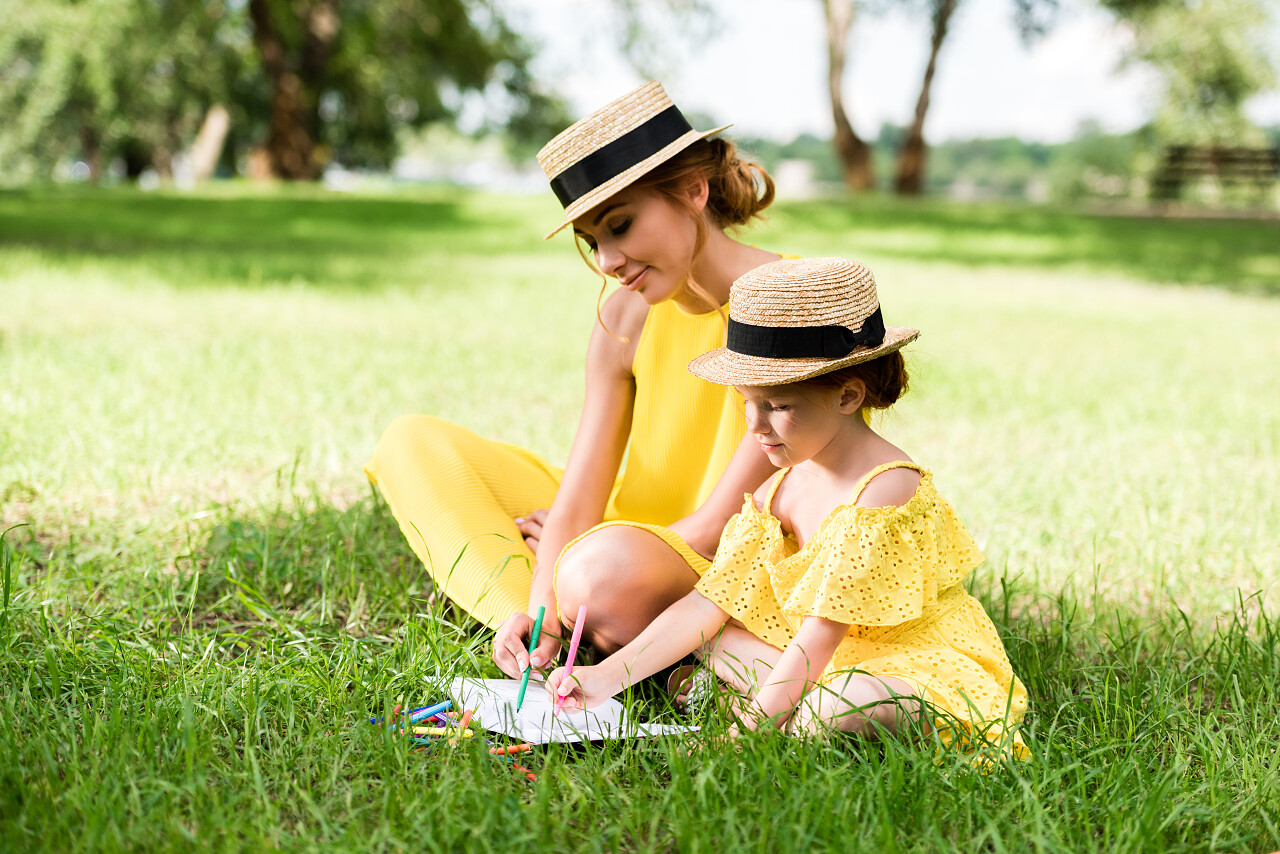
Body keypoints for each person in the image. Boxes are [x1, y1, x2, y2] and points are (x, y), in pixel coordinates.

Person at [365, 81, 789, 679]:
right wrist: (544, 597)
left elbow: (718, 527)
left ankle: (633, 624)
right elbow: (579, 497)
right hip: (627, 541)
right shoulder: (624, 317)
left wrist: (578, 557)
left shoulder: (790, 301)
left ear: (694, 190)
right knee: (412, 444)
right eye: (593, 241)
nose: (609, 261)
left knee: (596, 571)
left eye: (621, 225)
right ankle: (538, 634)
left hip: (725, 563)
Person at [547, 257, 1028, 755]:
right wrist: (603, 679)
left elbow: (821, 635)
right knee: (710, 636)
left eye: (777, 406)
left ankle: (761, 710)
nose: (754, 426)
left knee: (840, 703)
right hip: (817, 658)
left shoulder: (884, 490)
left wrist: (744, 737)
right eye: (746, 402)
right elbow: (709, 602)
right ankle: (773, 706)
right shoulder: (780, 488)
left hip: (907, 664)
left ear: (847, 396)